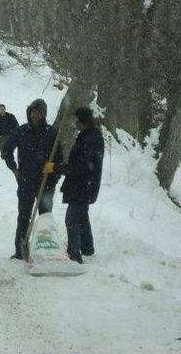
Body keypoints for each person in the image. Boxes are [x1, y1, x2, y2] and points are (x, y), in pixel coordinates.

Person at [4, 98, 63, 260]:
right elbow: (6, 149)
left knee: (45, 218)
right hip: (26, 182)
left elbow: (59, 160)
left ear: (44, 114)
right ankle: (20, 250)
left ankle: (46, 249)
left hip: (46, 184)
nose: (35, 115)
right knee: (24, 216)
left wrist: (51, 172)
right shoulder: (21, 131)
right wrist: (14, 168)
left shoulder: (52, 133)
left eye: (38, 112)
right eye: (32, 112)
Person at [61, 107, 104, 264]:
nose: (75, 123)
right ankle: (87, 248)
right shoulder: (90, 135)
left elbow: (80, 167)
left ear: (83, 121)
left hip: (82, 186)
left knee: (71, 219)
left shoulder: (90, 139)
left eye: (77, 120)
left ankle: (74, 254)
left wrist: (58, 168)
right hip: (86, 185)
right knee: (82, 216)